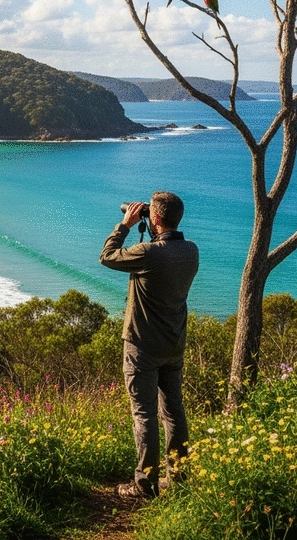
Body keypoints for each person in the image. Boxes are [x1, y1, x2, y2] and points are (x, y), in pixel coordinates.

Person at [99, 191, 199, 499]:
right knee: (174, 411)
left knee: (144, 414)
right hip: (174, 344)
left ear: (153, 218)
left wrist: (126, 224)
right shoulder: (191, 250)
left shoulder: (148, 253)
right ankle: (178, 476)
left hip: (142, 346)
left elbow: (108, 256)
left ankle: (145, 485)